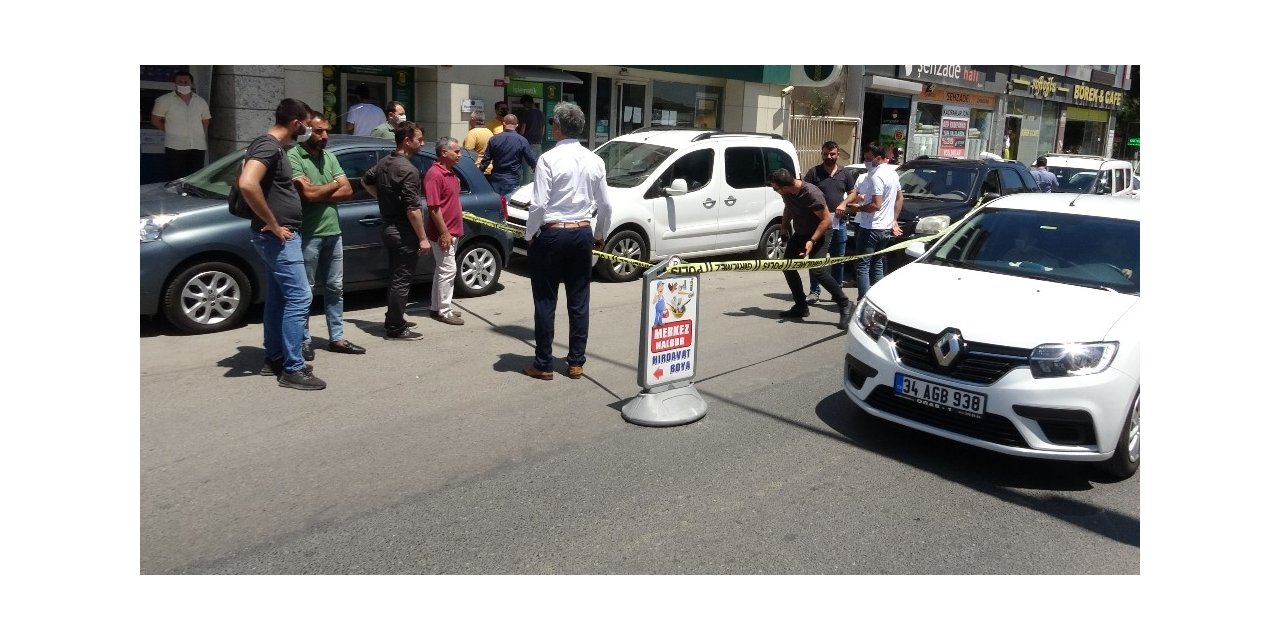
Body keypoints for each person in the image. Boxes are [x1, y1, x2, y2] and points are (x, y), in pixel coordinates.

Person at [239, 98, 327, 390]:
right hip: (278, 237)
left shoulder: (272, 146)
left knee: (278, 299)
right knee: (300, 298)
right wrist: (274, 223)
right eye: (306, 123)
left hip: (278, 236)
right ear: (295, 123)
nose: (307, 128)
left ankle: (275, 358)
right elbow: (247, 184)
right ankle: (293, 368)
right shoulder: (268, 146)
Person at [522, 102, 613, 381]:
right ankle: (576, 363)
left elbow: (538, 204)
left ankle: (544, 363)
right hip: (582, 231)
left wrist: (530, 235)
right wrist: (600, 235)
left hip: (552, 232)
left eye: (553, 124)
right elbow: (606, 205)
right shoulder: (595, 160)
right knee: (579, 299)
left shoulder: (548, 159)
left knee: (546, 300)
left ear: (558, 128)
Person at [287, 112, 365, 359]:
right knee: (306, 291)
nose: (324, 136)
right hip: (308, 233)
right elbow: (307, 195)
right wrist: (332, 185)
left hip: (334, 231)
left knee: (335, 288)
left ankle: (337, 338)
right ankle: (303, 340)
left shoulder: (329, 156)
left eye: (326, 131)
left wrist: (320, 190)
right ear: (307, 131)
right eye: (319, 131)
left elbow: (348, 190)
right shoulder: (293, 156)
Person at [362, 120, 430, 340]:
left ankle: (395, 316)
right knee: (401, 279)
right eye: (419, 139)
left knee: (395, 277)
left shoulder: (385, 162)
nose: (422, 143)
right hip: (402, 231)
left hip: (389, 228)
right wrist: (423, 238)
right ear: (407, 141)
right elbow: (413, 209)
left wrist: (382, 198)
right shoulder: (408, 169)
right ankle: (395, 327)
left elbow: (366, 180)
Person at [769, 168, 852, 329]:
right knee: (787, 266)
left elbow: (827, 220)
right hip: (801, 232)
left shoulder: (811, 194)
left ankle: (844, 303)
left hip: (820, 233)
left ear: (784, 186)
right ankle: (801, 306)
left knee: (817, 270)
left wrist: (812, 241)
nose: (774, 190)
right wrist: (785, 227)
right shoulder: (787, 193)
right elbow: (789, 208)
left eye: (775, 188)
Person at [845, 142, 904, 301]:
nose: (866, 161)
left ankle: (863, 300)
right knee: (877, 263)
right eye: (865, 158)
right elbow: (899, 198)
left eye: (869, 158)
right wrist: (893, 220)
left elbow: (876, 205)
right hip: (884, 228)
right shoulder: (893, 174)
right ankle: (879, 300)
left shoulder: (876, 176)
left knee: (863, 265)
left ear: (879, 158)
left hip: (871, 227)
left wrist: (859, 207)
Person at [803, 141, 857, 303]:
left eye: (832, 154)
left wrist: (844, 203)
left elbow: (853, 193)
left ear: (838, 154)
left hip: (839, 222)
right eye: (826, 154)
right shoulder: (814, 173)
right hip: (819, 223)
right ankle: (814, 291)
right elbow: (806, 194)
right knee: (817, 260)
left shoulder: (845, 174)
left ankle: (837, 290)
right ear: (822, 153)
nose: (829, 157)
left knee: (838, 258)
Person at [423, 137, 466, 326]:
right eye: (456, 151)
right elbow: (433, 207)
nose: (459, 155)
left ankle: (436, 307)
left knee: (442, 270)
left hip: (452, 231)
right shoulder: (434, 174)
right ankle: (444, 310)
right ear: (443, 153)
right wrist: (444, 232)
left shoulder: (451, 173)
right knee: (449, 270)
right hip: (443, 233)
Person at [151, 70, 211, 180]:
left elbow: (205, 121)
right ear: (175, 83)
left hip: (197, 146)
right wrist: (169, 130)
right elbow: (155, 120)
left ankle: (192, 197)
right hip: (175, 146)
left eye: (186, 82)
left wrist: (196, 133)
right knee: (176, 178)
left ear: (191, 84)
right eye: (180, 81)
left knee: (196, 178)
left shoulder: (201, 101)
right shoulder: (164, 100)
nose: (183, 84)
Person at [480, 114, 538, 198]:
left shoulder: (494, 139)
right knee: (509, 208)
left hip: (496, 179)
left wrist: (480, 173)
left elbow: (486, 160)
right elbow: (531, 160)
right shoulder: (522, 140)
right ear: (517, 125)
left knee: (497, 207)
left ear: (503, 123)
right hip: (512, 181)